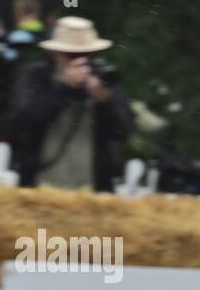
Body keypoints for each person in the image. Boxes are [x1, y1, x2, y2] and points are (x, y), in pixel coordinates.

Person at [8, 16, 132, 192]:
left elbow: (124, 130)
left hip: (92, 197)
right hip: (40, 191)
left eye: (87, 55)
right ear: (55, 54)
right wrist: (63, 88)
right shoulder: (36, 77)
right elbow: (23, 122)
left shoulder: (102, 79)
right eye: (72, 55)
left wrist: (105, 102)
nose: (80, 61)